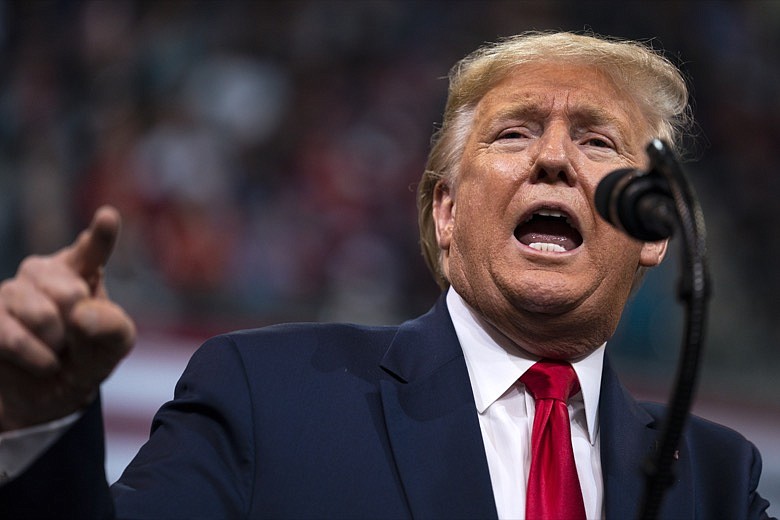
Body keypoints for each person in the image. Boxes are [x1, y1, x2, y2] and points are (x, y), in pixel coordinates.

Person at [0, 31, 774, 519]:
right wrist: (43, 423)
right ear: (444, 212)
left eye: (599, 143)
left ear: (653, 230)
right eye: (515, 132)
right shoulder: (267, 396)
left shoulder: (716, 479)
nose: (553, 159)